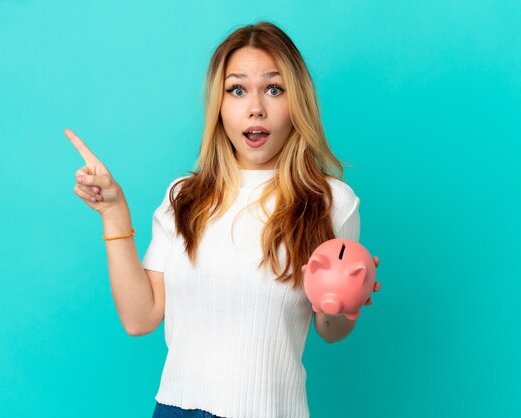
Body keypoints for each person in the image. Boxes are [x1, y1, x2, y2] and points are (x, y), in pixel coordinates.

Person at [66, 21, 381, 418]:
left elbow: (330, 332)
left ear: (296, 101)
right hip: (177, 409)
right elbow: (139, 317)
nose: (255, 107)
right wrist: (113, 212)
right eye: (237, 89)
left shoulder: (331, 201)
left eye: (273, 88)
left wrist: (344, 303)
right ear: (219, 104)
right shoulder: (185, 196)